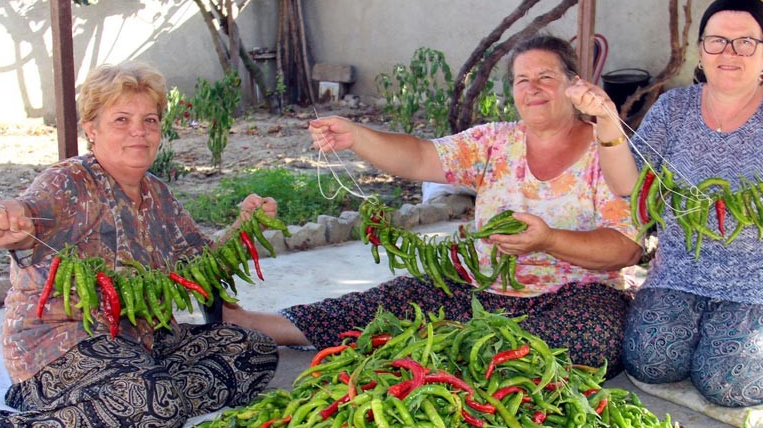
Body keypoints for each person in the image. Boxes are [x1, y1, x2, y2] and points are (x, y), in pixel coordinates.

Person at [229, 35, 643, 375]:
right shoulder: (495, 141)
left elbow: (624, 249)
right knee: (397, 301)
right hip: (482, 289)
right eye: (521, 80)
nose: (532, 88)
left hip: (574, 297)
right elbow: (420, 157)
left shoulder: (606, 148)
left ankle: (463, 356)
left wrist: (549, 240)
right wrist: (355, 135)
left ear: (574, 85)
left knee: (592, 339)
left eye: (546, 77)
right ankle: (258, 324)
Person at [0, 62, 280, 428]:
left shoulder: (158, 195)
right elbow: (31, 214)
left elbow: (201, 267)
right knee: (149, 404)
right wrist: (9, 218)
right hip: (63, 349)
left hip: (142, 343)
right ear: (92, 128)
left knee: (253, 350)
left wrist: (244, 227)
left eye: (150, 120)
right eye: (122, 120)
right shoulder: (69, 181)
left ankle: (134, 403)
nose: (139, 131)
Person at [569, 0, 763, 407]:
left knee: (730, 381)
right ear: (701, 50)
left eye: (745, 42)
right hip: (681, 274)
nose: (730, 52)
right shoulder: (674, 108)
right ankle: (710, 326)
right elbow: (629, 184)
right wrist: (607, 122)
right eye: (717, 40)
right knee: (650, 362)